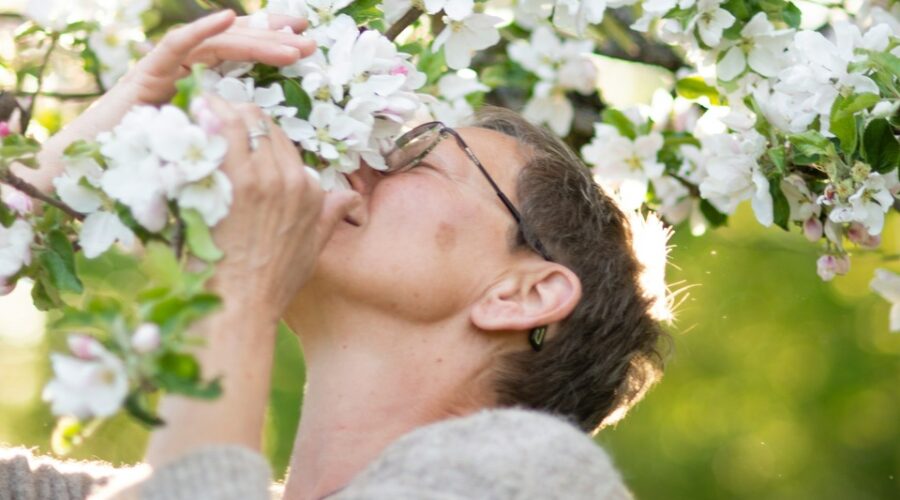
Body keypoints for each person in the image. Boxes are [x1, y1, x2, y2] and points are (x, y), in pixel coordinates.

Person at [1, 9, 669, 500]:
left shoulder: (536, 474)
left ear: (523, 294)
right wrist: (76, 151)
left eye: (421, 155)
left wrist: (239, 286)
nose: (358, 161)